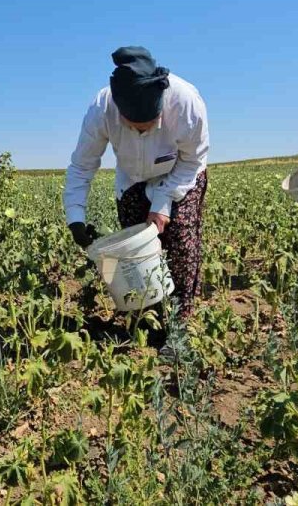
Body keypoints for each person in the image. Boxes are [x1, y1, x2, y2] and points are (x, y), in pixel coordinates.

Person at [64, 47, 210, 318]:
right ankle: (147, 316)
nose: (142, 131)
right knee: (133, 251)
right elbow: (82, 166)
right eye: (134, 126)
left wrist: (163, 202)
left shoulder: (186, 103)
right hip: (132, 179)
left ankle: (180, 321)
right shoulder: (101, 109)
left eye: (149, 124)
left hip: (182, 172)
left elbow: (193, 160)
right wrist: (75, 217)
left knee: (180, 242)